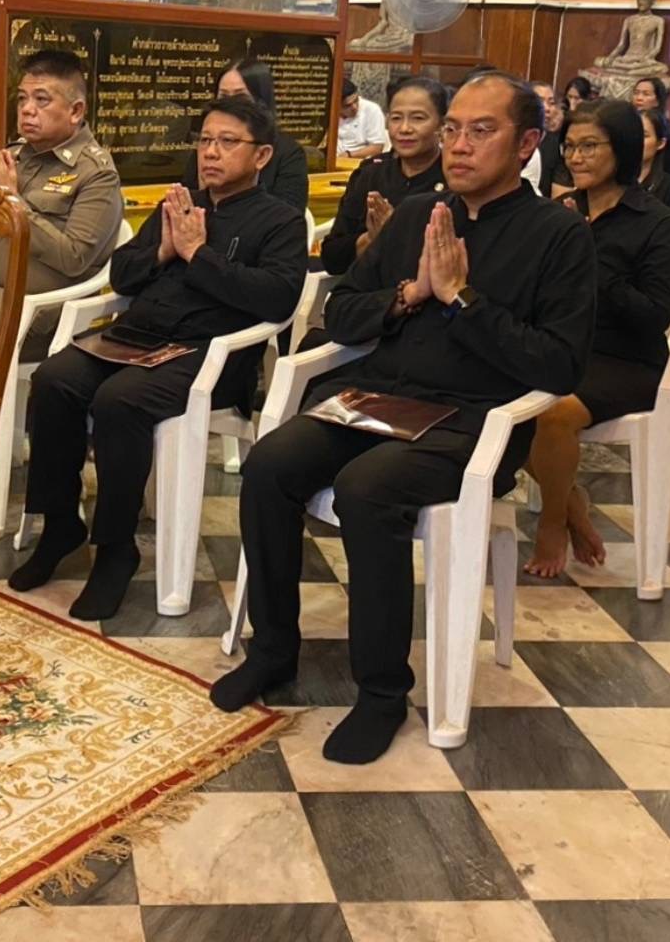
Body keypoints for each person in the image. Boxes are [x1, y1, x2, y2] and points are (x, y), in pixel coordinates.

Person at [212, 73, 595, 764]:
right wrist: (408, 293)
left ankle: (382, 692)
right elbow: (343, 312)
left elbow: (559, 366)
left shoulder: (559, 235)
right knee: (269, 465)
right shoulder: (421, 213)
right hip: (380, 399)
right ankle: (274, 650)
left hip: (474, 420)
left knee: (368, 488)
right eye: (454, 129)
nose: (460, 145)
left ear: (530, 142)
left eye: (483, 131)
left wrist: (461, 298)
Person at [7, 95, 307, 620]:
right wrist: (166, 250)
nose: (211, 153)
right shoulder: (181, 202)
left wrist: (199, 255)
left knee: (120, 402)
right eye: (205, 141)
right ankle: (59, 525)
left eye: (227, 142)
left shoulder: (279, 222)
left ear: (260, 157)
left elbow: (277, 300)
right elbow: (122, 273)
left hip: (206, 355)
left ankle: (116, 548)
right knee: (55, 380)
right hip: (137, 338)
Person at [525, 101, 670, 576]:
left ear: (624, 149)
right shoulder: (558, 212)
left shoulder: (656, 223)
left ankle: (552, 525)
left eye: (590, 145)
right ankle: (572, 504)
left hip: (628, 361)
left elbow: (654, 315)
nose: (575, 157)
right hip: (564, 346)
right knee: (490, 391)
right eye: (569, 146)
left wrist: (594, 260)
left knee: (552, 412)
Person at [0, 49, 123, 360]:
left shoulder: (96, 174)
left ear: (75, 111)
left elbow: (73, 258)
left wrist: (13, 201)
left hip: (36, 308)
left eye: (42, 100)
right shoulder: (14, 156)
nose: (28, 110)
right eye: (21, 99)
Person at [320, 76, 448, 277]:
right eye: (396, 118)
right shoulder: (371, 173)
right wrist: (372, 238)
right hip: (362, 294)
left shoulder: (454, 177)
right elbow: (332, 258)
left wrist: (393, 233)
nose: (404, 129)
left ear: (442, 124)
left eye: (418, 118)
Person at [180, 59, 310, 211]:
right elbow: (185, 202)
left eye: (240, 97)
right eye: (223, 96)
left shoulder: (288, 152)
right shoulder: (208, 146)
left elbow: (288, 216)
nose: (231, 105)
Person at [529, 80, 569, 197]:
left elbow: (561, 195)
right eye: (540, 101)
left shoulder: (558, 145)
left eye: (551, 103)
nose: (547, 108)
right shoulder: (511, 140)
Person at [336, 78, 389, 159]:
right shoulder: (331, 112)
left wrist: (349, 155)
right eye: (347, 106)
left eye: (356, 100)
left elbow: (377, 147)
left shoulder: (372, 110)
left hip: (361, 162)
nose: (354, 107)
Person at [640, 108, 670, 208]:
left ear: (660, 143)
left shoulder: (669, 188)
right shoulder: (613, 180)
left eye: (645, 135)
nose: (637, 138)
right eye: (634, 132)